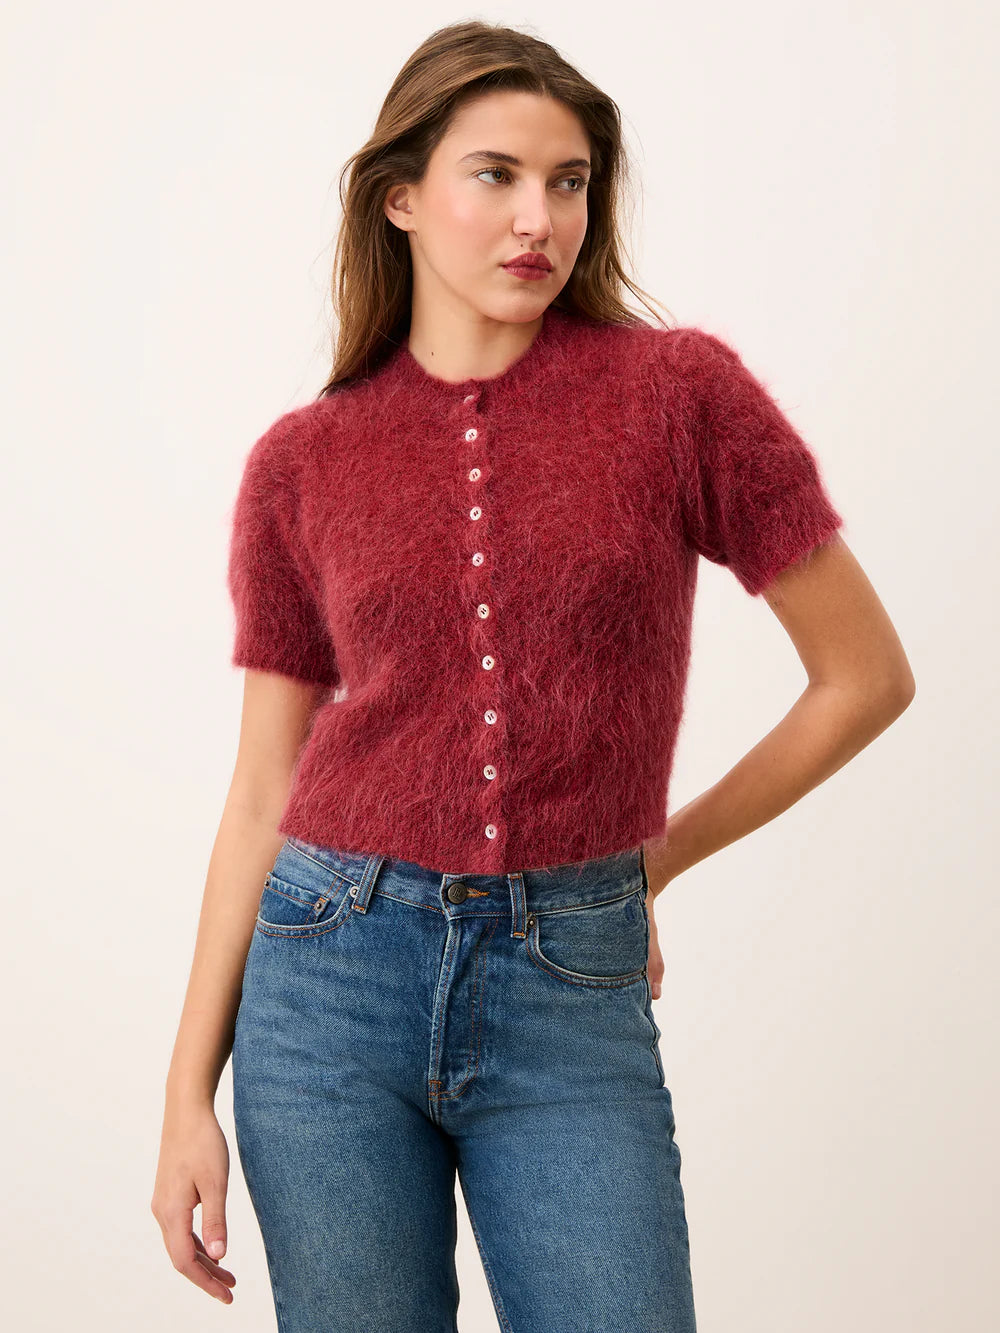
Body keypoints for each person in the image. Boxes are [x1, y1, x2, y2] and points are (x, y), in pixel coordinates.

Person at [151, 19, 915, 1331]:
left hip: (572, 973)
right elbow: (263, 786)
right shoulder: (302, 461)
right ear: (399, 197)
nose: (539, 219)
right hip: (325, 980)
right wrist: (184, 1095)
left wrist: (652, 860)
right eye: (495, 174)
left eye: (569, 182)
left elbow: (864, 676)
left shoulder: (679, 397)